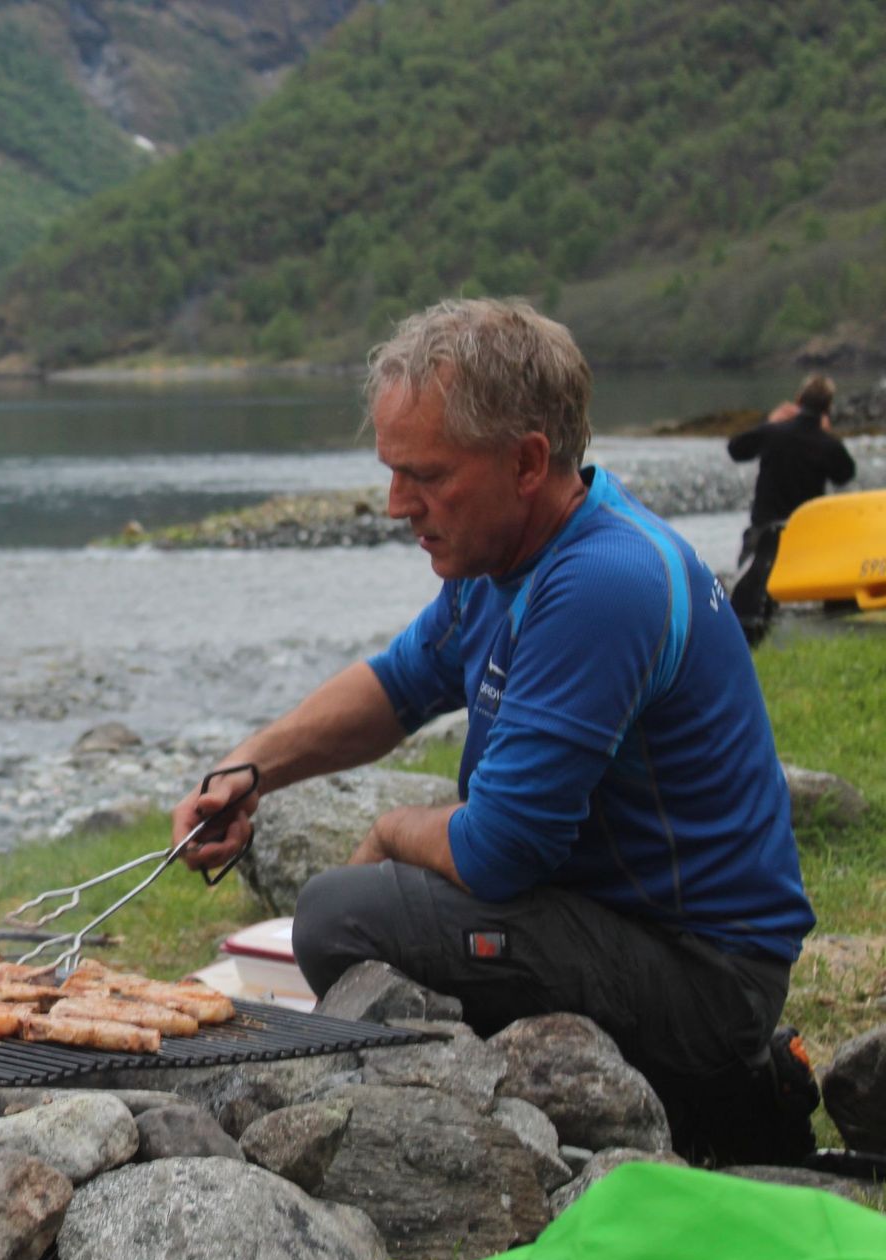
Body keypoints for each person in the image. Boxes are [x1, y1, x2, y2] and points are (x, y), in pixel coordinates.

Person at [172, 299, 819, 1166]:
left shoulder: (601, 583)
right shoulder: (505, 557)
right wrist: (247, 770)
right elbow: (400, 683)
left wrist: (393, 829)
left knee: (338, 917)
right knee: (360, 906)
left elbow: (501, 851)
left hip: (702, 973)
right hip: (619, 921)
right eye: (392, 471)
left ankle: (712, 1095)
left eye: (427, 475)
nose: (399, 504)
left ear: (526, 461)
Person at [724, 374, 855, 645]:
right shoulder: (826, 444)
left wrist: (769, 422)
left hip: (764, 531)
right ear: (827, 408)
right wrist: (828, 435)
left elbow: (736, 449)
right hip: (806, 535)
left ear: (798, 400)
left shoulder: (773, 433)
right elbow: (846, 474)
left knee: (751, 587)